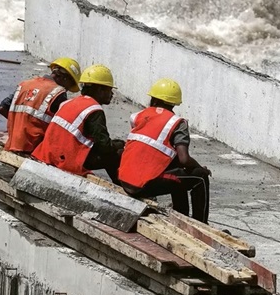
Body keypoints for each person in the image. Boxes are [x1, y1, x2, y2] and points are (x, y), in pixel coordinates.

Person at [118, 79, 212, 223]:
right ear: (174, 103)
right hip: (141, 185)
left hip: (125, 179)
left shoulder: (140, 116)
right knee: (199, 177)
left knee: (178, 173)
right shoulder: (176, 123)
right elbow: (184, 159)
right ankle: (202, 224)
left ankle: (182, 215)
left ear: (153, 99)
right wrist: (201, 168)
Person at [32, 64, 124, 181]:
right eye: (109, 90)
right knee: (117, 155)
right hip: (65, 160)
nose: (112, 94)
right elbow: (104, 146)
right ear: (100, 90)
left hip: (48, 154)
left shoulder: (68, 102)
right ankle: (123, 192)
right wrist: (120, 144)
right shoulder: (94, 110)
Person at [0, 57, 81, 154]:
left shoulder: (25, 84)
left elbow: (2, 108)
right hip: (35, 150)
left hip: (12, 144)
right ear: (65, 78)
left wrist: (19, 125)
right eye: (69, 86)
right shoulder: (58, 92)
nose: (67, 89)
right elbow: (61, 128)